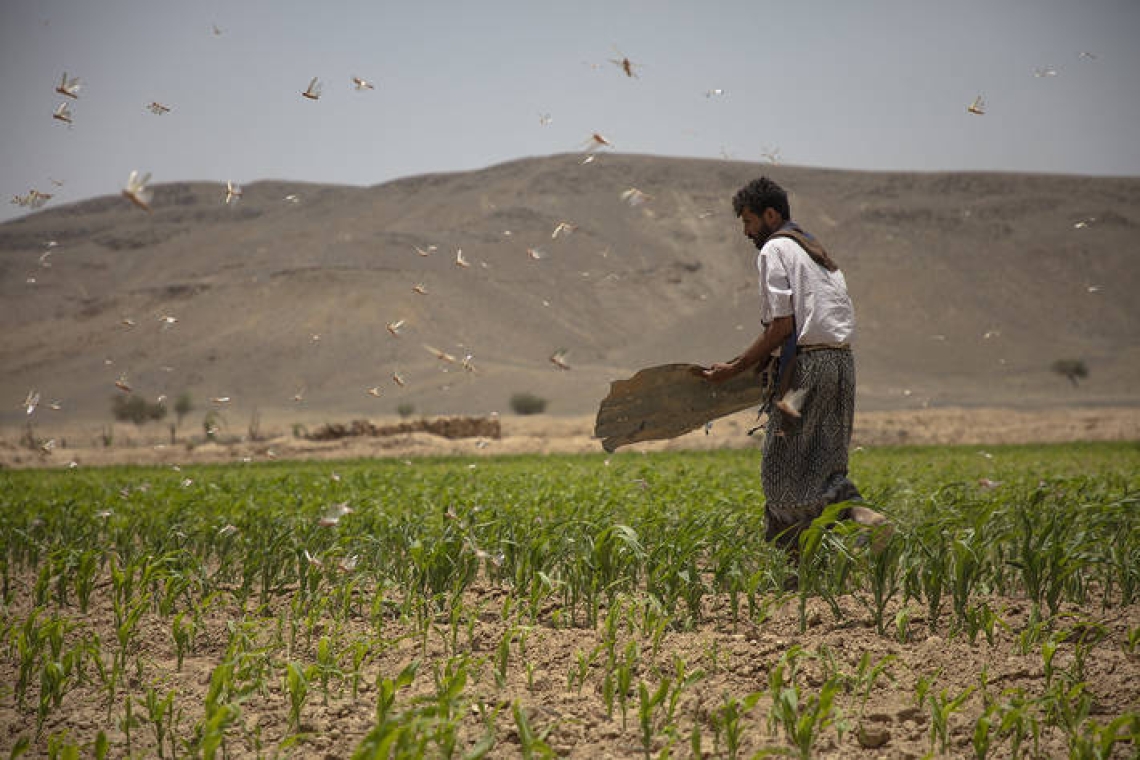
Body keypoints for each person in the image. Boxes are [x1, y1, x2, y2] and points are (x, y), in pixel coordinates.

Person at [701, 176, 887, 558]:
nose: (747, 232)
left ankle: (837, 527)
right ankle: (817, 558)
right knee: (824, 464)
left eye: (749, 222)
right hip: (841, 365)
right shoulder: (817, 252)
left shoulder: (775, 250)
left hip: (808, 370)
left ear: (771, 215)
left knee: (780, 473)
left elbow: (782, 326)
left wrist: (735, 368)